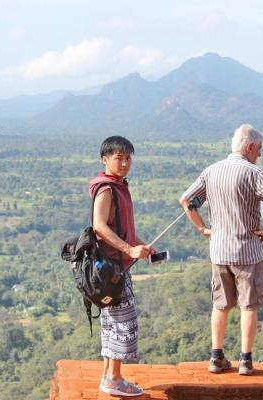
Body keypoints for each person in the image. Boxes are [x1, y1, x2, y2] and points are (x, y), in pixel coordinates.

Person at [179, 124, 263, 376]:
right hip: (247, 250)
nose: (259, 154)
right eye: (259, 148)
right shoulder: (253, 172)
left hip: (219, 250)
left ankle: (216, 357)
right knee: (248, 306)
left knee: (221, 305)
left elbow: (186, 200)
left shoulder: (212, 170)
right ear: (249, 146)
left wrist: (202, 228)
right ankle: (246, 361)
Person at [89, 136, 152, 397]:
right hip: (111, 268)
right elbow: (99, 226)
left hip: (116, 265)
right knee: (123, 323)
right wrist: (128, 250)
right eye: (119, 158)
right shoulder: (106, 189)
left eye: (128, 158)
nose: (125, 163)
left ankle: (108, 375)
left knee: (112, 322)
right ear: (105, 160)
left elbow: (123, 230)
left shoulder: (120, 186)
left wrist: (142, 246)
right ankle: (114, 379)